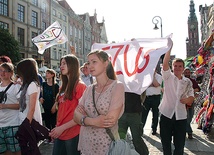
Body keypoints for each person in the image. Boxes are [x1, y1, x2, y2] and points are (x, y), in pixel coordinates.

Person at [73, 50, 125, 155]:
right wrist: (94, 121)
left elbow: (109, 121)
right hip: (86, 145)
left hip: (106, 147)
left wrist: (83, 119)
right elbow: (75, 115)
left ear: (106, 63)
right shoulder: (89, 89)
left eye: (94, 62)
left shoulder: (117, 86)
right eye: (88, 62)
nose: (90, 66)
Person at [159, 40, 194, 155]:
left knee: (179, 146)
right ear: (172, 67)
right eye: (175, 66)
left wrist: (188, 100)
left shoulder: (187, 82)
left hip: (181, 117)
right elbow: (164, 64)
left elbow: (191, 97)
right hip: (166, 114)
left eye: (180, 66)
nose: (178, 68)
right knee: (166, 144)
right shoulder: (168, 77)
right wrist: (169, 48)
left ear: (183, 68)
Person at [49, 54, 86, 155]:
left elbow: (82, 116)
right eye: (61, 64)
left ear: (72, 65)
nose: (61, 66)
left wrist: (61, 128)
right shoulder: (63, 87)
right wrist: (57, 128)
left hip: (73, 133)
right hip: (60, 132)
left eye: (64, 63)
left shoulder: (80, 86)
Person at [0, 62, 21, 155]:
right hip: (1, 125)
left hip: (13, 124)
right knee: (5, 152)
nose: (2, 73)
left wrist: (5, 106)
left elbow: (21, 105)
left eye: (5, 71)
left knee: (16, 151)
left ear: (11, 73)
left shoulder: (16, 86)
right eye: (1, 70)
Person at [40, 69, 59, 143]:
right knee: (47, 123)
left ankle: (53, 137)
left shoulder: (56, 86)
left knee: (53, 123)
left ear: (52, 75)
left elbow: (58, 97)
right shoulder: (44, 84)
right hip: (45, 106)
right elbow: (40, 93)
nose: (46, 74)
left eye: (48, 73)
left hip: (53, 106)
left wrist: (55, 105)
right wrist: (40, 98)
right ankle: (48, 137)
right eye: (46, 73)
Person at [141, 70, 162, 135]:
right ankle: (141, 130)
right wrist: (151, 84)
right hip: (146, 97)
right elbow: (144, 85)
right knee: (144, 114)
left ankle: (154, 129)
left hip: (156, 97)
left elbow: (156, 84)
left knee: (155, 114)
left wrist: (152, 76)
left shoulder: (159, 76)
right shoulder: (145, 76)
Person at [183, 67, 200, 139]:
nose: (187, 74)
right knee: (187, 117)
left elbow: (198, 89)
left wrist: (191, 90)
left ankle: (185, 129)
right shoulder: (181, 80)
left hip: (191, 100)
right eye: (185, 73)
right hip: (183, 101)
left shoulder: (192, 81)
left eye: (188, 72)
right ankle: (189, 132)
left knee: (191, 115)